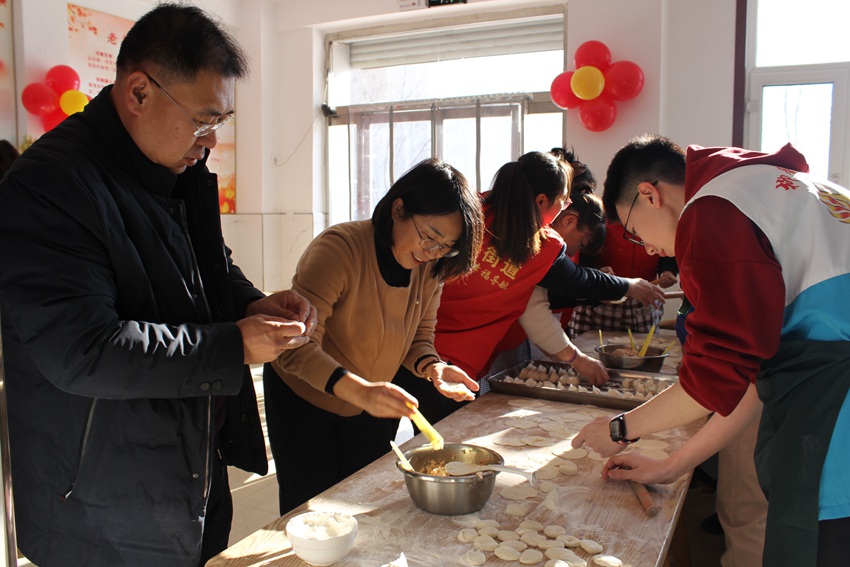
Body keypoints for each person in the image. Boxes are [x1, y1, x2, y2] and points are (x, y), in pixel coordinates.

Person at [0, 5, 318, 566]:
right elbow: (83, 350)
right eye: (202, 121)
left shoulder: (173, 169)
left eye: (218, 123)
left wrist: (251, 301)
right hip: (97, 500)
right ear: (139, 92)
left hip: (186, 461)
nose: (209, 142)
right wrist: (233, 345)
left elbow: (206, 265)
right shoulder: (49, 186)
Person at [572, 134, 850, 566]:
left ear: (649, 195)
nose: (647, 248)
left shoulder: (713, 210)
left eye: (634, 231)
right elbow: (750, 379)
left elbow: (712, 379)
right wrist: (671, 465)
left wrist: (619, 429)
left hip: (836, 408)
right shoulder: (774, 186)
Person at [264, 158, 483, 514]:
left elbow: (418, 337)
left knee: (360, 501)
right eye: (430, 237)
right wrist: (359, 389)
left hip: (369, 400)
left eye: (447, 247)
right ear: (398, 209)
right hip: (304, 400)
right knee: (309, 509)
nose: (432, 253)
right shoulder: (340, 248)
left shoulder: (429, 270)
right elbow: (294, 346)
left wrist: (433, 368)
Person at [395, 150, 665, 425]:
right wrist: (628, 287)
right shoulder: (542, 246)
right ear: (542, 201)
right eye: (563, 201)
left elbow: (543, 301)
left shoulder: (471, 209)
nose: (568, 205)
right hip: (444, 361)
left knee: (387, 450)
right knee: (442, 445)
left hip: (406, 343)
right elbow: (578, 281)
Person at [568, 220, 679, 337]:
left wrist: (668, 272)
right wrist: (599, 272)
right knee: (592, 348)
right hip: (603, 298)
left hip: (643, 301)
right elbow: (584, 260)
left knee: (642, 350)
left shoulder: (658, 223)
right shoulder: (601, 221)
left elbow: (668, 255)